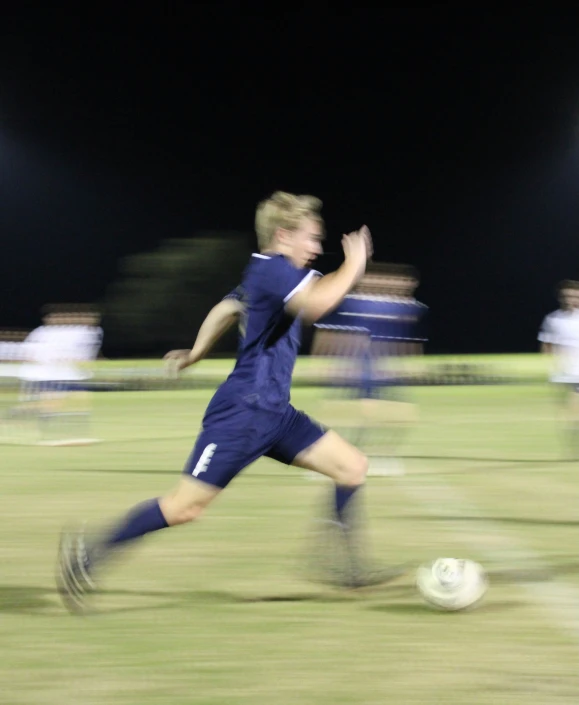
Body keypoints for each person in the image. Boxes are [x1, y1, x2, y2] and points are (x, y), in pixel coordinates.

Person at [57, 191, 381, 613]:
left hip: (275, 414)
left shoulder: (263, 272)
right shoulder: (277, 270)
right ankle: (88, 554)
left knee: (352, 466)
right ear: (283, 236)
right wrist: (354, 264)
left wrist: (195, 353)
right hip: (243, 414)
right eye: (311, 238)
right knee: (183, 508)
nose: (317, 249)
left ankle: (346, 569)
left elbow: (226, 308)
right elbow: (317, 305)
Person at [538, 279, 579, 459]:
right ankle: (572, 447)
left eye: (573, 295)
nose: (569, 298)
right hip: (563, 373)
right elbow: (547, 344)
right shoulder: (553, 319)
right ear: (560, 298)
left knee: (574, 409)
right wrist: (549, 366)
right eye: (566, 295)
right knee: (569, 414)